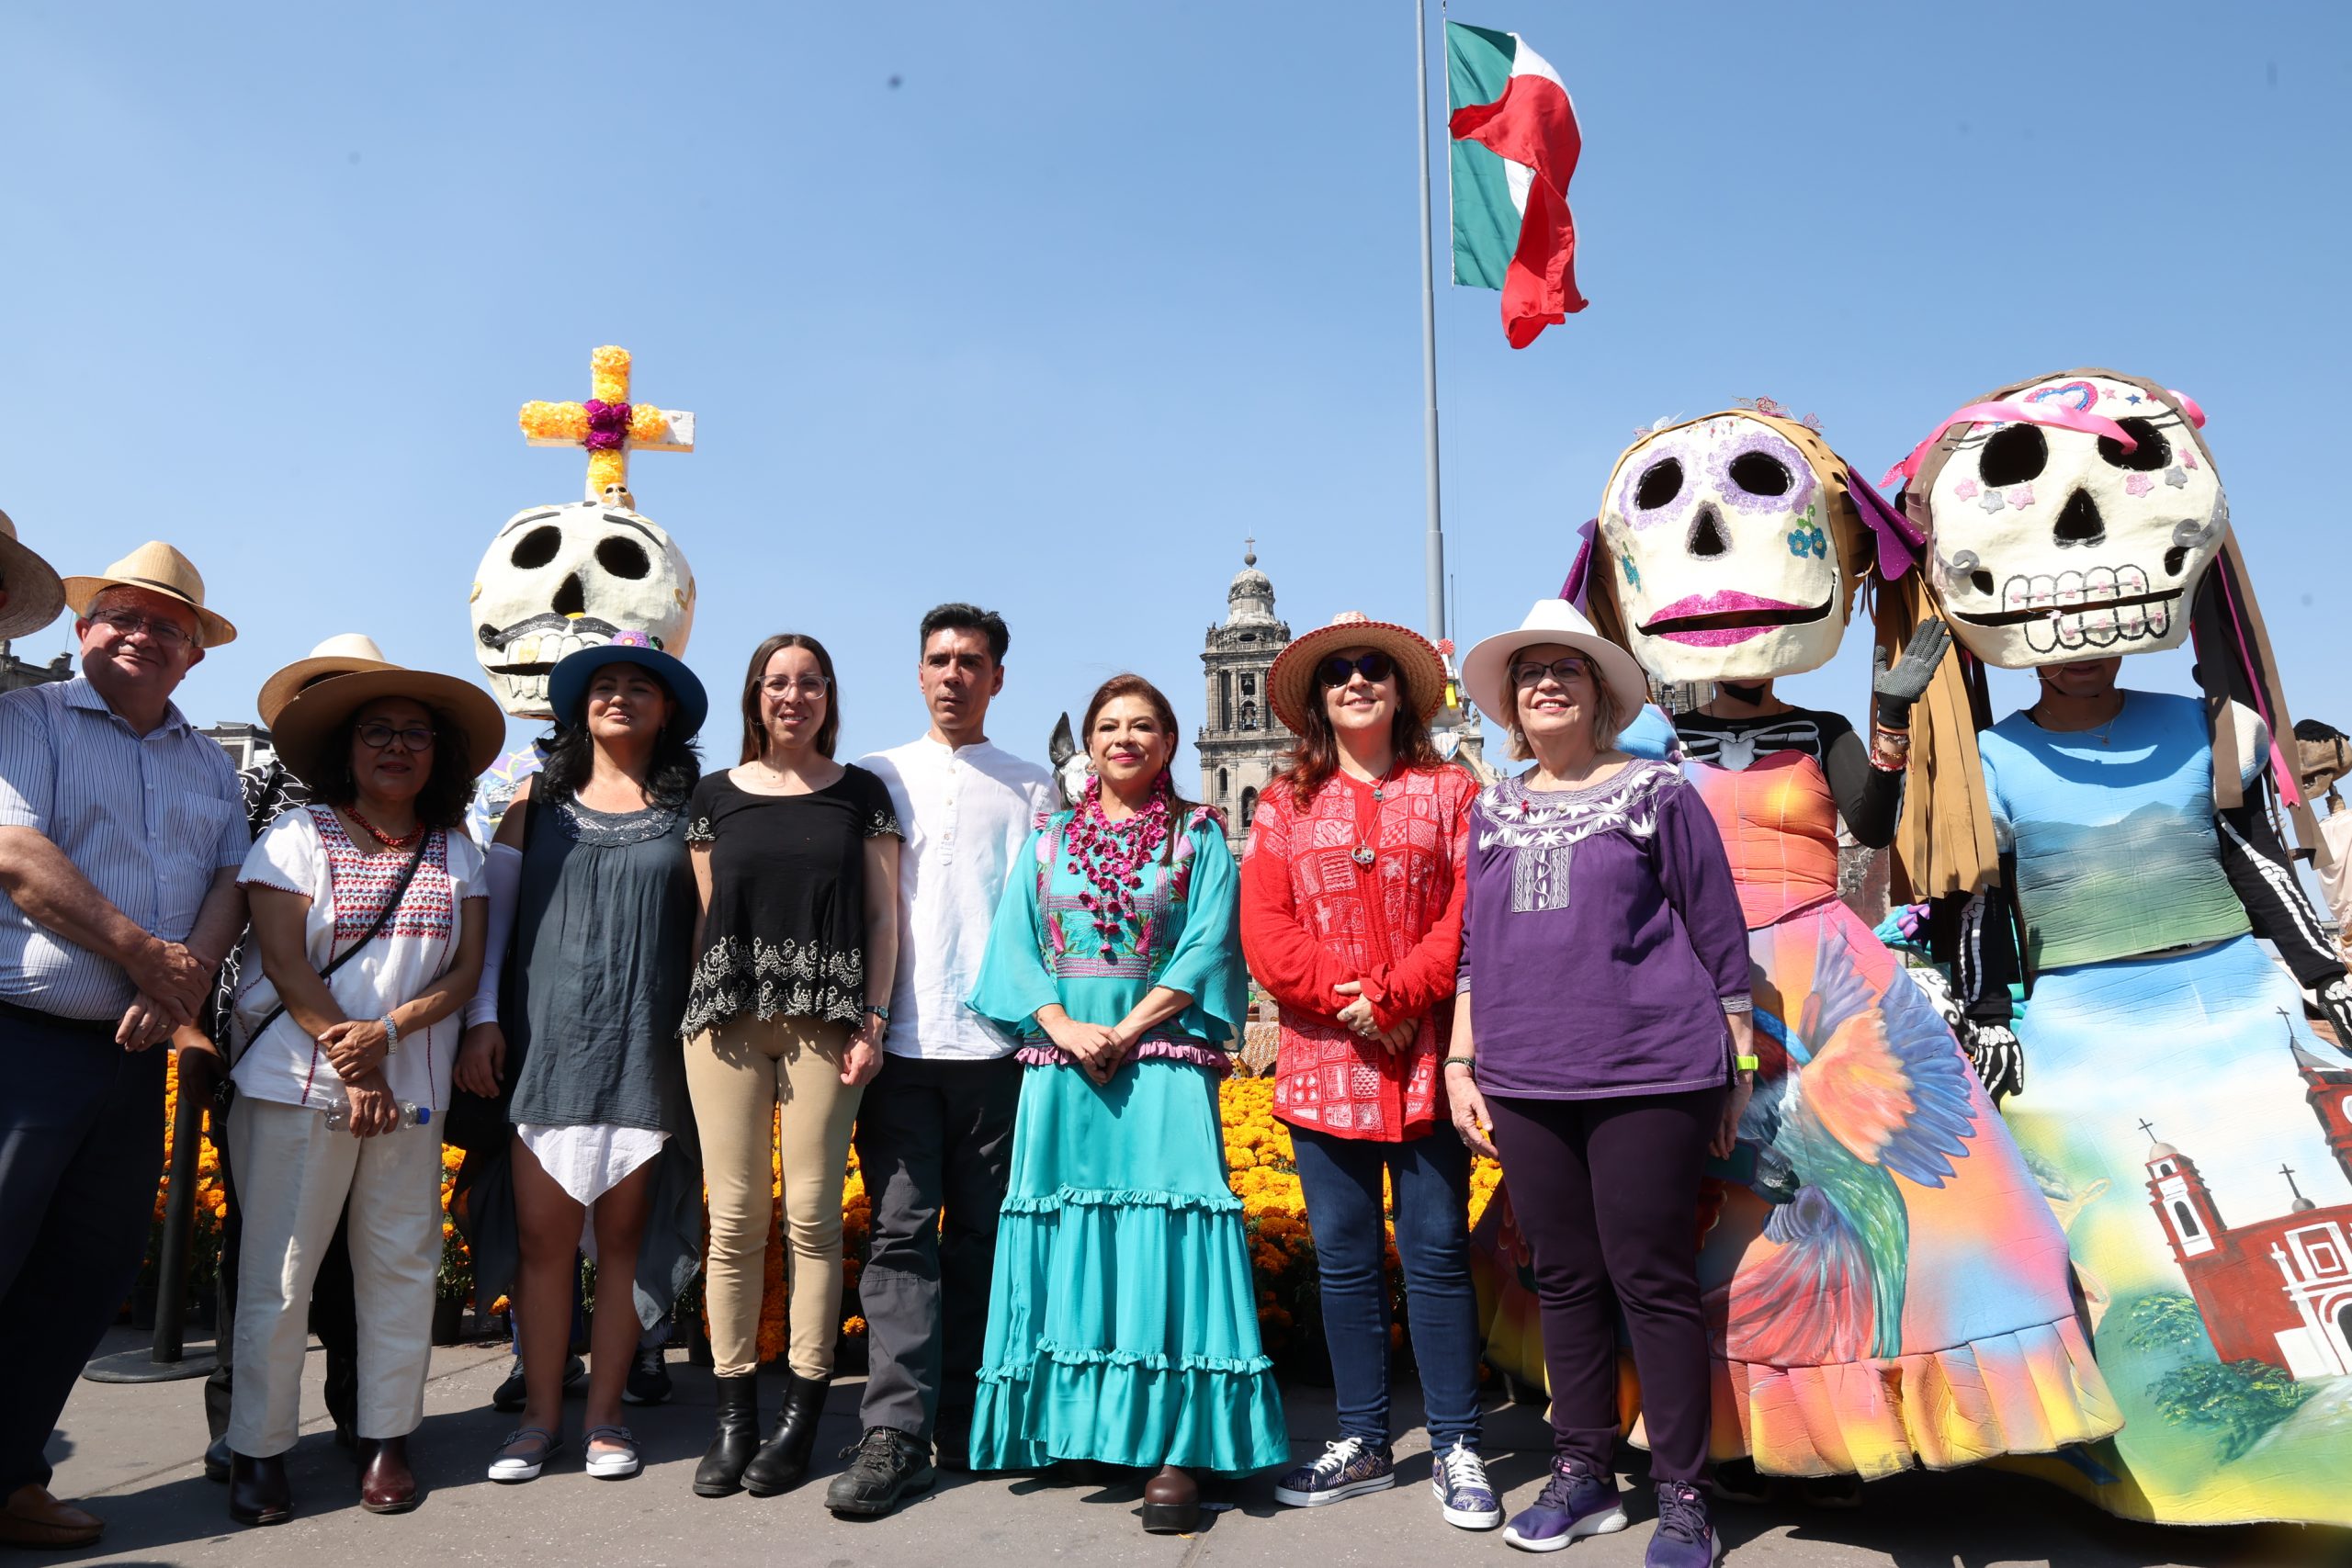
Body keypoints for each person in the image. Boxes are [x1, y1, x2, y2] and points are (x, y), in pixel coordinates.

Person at [1564, 407, 2119, 1505]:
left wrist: (1892, 724)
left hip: (1827, 973)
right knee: (1719, 1213)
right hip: (1697, 978)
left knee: (1921, 1194)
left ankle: (1892, 1411)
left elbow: (1868, 822)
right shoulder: (1653, 747)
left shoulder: (1816, 731)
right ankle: (1726, 1430)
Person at [1889, 370, 2352, 1526]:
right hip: (2081, 1023)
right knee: (2118, 1241)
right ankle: (2168, 1473)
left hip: (2236, 1000)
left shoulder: (2209, 726)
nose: (2078, 653)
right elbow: (1979, 909)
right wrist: (1985, 1015)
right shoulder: (1989, 763)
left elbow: (2259, 867)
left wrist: (2323, 975)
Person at [1448, 601, 1751, 1566]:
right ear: (1509, 702)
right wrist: (1459, 1063)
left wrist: (1737, 1064)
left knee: (1651, 1278)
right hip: (1524, 1075)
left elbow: (1717, 930)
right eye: (1530, 672)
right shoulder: (1491, 809)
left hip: (1649, 1071)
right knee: (1564, 1275)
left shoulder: (1657, 793)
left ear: (1600, 693)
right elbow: (1472, 951)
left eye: (1566, 669)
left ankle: (1684, 1494)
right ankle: (1582, 1473)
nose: (1546, 683)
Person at [966, 673, 1288, 1536]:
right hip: (1065, 1063)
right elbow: (1014, 947)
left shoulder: (1198, 834)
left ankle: (1179, 1444)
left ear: (1169, 742)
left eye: (1143, 725)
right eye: (1108, 725)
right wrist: (1065, 1025)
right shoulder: (1049, 839)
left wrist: (1128, 1027)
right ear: (1089, 743)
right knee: (1073, 1230)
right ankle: (1084, 1425)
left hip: (1161, 1063)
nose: (1124, 738)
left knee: (1171, 1237)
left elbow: (1210, 941)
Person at [0, 543, 245, 1551]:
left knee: (84, 1273)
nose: (144, 635)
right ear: (83, 630)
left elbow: (231, 884)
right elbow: (18, 854)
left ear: (194, 654)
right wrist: (147, 957)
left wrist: (176, 983)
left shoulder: (209, 762)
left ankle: (10, 1476)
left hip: (134, 1057)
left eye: (167, 626)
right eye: (125, 617)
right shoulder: (27, 719)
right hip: (24, 1044)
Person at [221, 654, 503, 1524]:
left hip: (410, 1091)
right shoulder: (295, 836)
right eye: (378, 731)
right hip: (295, 1087)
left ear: (437, 754)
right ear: (347, 749)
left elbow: (464, 971)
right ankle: (258, 1447)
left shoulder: (457, 849)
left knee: (402, 1266)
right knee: (280, 1271)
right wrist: (360, 1062)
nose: (397, 747)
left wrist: (388, 1034)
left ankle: (387, 1438)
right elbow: (285, 963)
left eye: (415, 733)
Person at [1237, 612, 1494, 1529]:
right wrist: (1353, 999)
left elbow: (1469, 912)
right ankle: (1363, 1438)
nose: (1355, 679)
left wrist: (1394, 997)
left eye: (1372, 666)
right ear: (1317, 696)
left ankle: (1456, 1440)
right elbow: (1265, 931)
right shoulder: (1283, 803)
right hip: (1324, 1057)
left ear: (1400, 689)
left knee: (1435, 1255)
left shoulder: (1452, 793)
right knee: (1344, 1263)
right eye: (1337, 670)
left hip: (1423, 1056)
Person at [454, 632, 707, 1484]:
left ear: (667, 711)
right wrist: (482, 1021)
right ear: (579, 708)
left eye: (640, 685)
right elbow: (492, 928)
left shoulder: (693, 810)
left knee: (626, 1240)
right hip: (547, 1050)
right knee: (543, 1242)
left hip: (645, 1048)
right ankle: (538, 1422)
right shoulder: (532, 804)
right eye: (605, 684)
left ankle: (606, 1420)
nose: (620, 696)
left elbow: (706, 933)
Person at [826, 605, 1054, 1517]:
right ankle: (894, 1430)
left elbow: (1052, 917)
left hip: (999, 1047)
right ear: (918, 673)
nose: (953, 674)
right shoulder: (875, 776)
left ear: (997, 678)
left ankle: (969, 1416)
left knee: (985, 1239)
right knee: (899, 1234)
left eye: (970, 661)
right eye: (938, 659)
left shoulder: (1034, 787)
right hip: (898, 1044)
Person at [683, 633, 900, 1498]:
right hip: (726, 1023)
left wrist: (873, 1019)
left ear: (828, 697)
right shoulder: (713, 795)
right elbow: (710, 915)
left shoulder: (861, 794)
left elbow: (882, 917)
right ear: (755, 695)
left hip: (828, 1022)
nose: (793, 695)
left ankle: (800, 1418)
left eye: (811, 682)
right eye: (777, 681)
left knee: (812, 1217)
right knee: (734, 1220)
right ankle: (733, 1418)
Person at [195, 636, 402, 1483]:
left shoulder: (408, 802)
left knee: (359, 1248)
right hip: (265, 1049)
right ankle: (241, 1421)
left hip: (380, 1054)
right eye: (325, 691)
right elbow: (215, 899)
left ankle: (357, 1411)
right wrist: (190, 1019)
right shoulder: (258, 789)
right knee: (261, 1246)